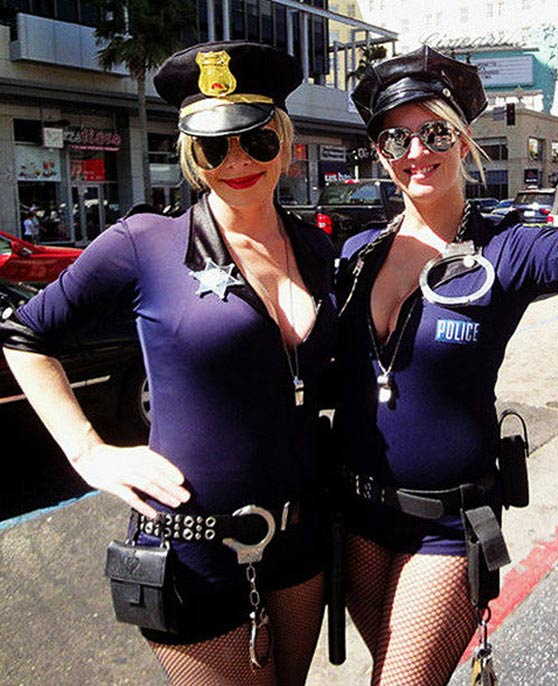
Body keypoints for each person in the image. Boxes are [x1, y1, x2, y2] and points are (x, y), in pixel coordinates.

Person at [2, 41, 335, 686]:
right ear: (190, 154)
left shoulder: (316, 250)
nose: (237, 161)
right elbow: (23, 335)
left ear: (285, 142)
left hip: (300, 543)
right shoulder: (144, 244)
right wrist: (88, 451)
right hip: (191, 552)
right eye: (214, 148)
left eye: (256, 140)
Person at [334, 45, 558, 685]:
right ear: (379, 154)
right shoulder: (358, 253)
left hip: (447, 524)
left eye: (434, 132)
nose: (415, 151)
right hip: (356, 514)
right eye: (394, 139)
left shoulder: (507, 249)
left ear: (462, 141)